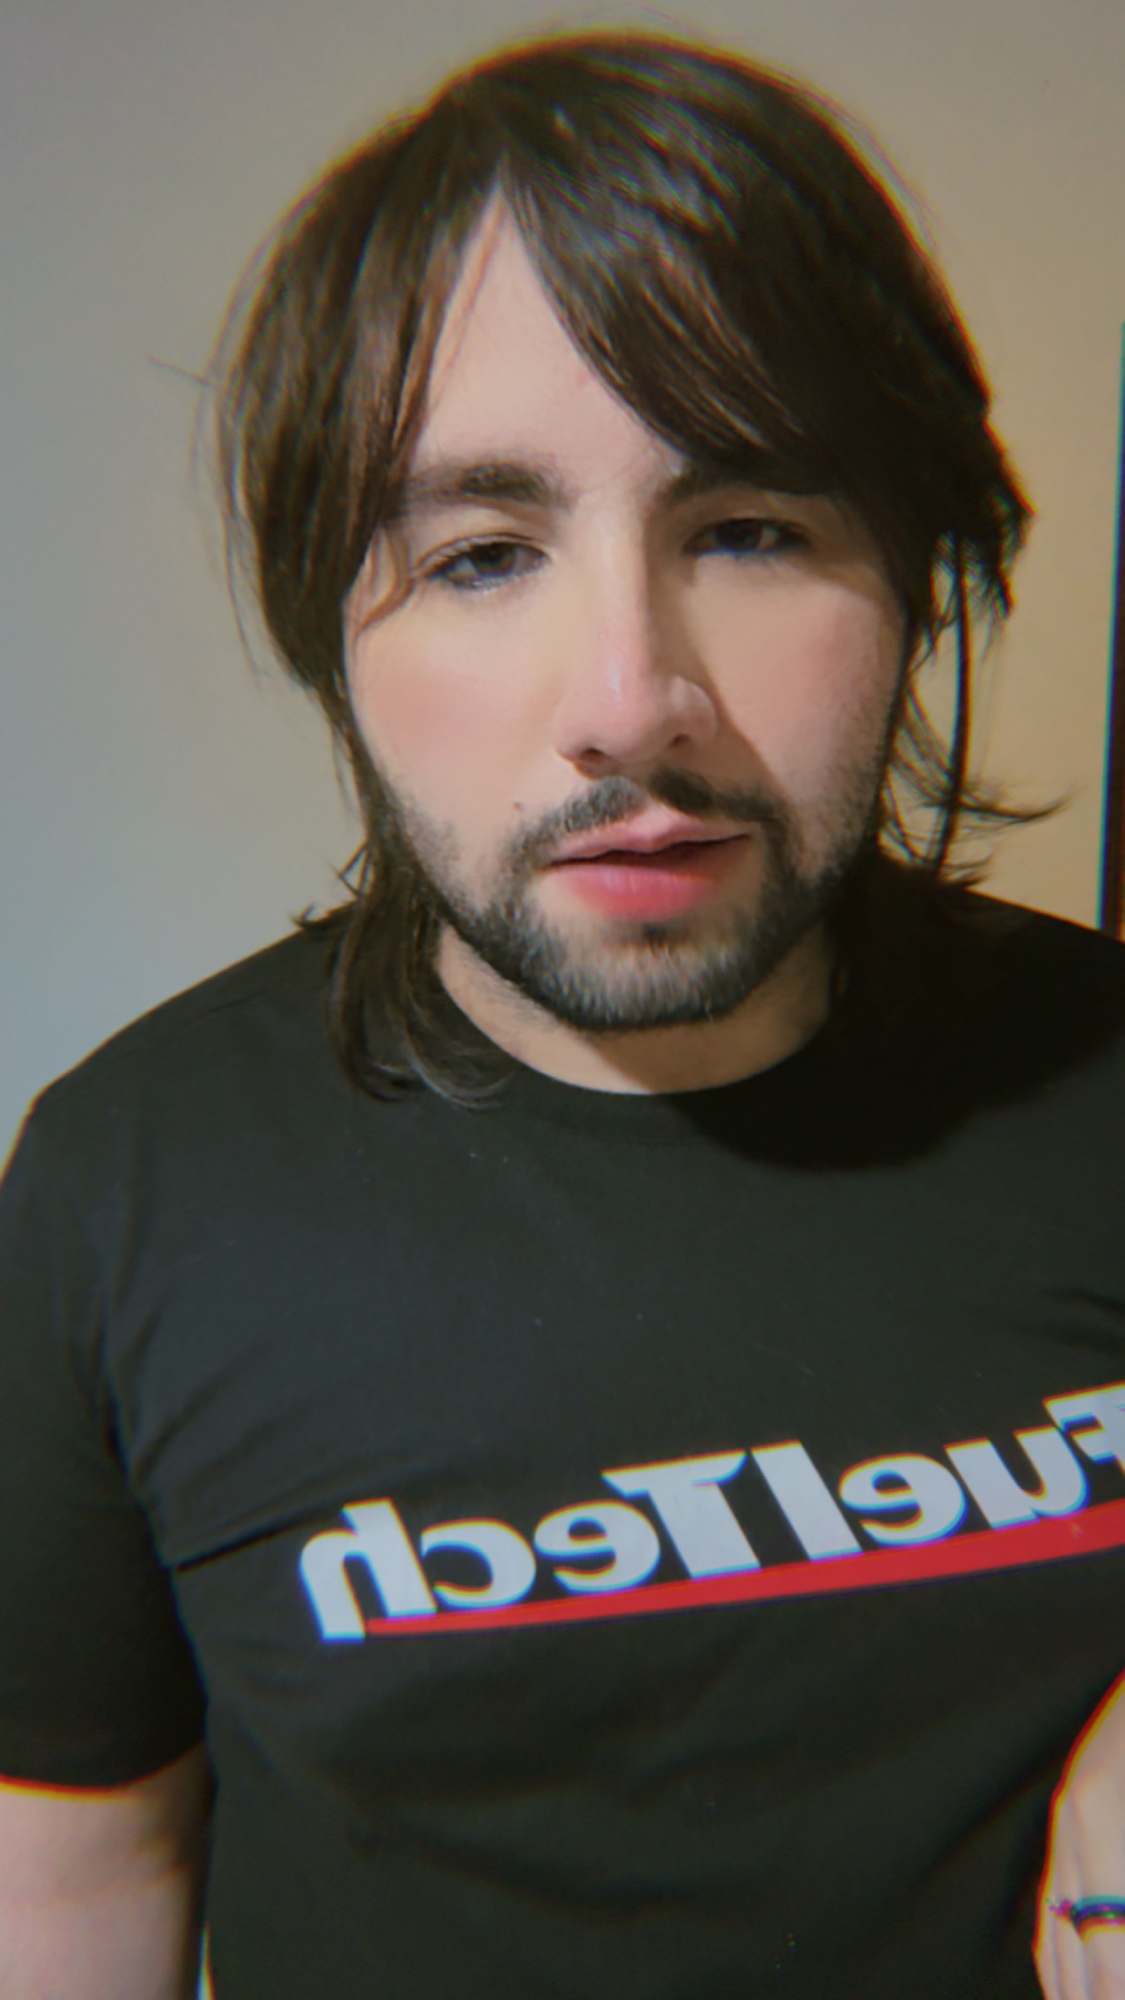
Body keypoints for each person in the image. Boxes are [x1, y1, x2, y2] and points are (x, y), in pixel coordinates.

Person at [0, 30, 1122, 2000]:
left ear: (915, 573)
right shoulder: (121, 1188)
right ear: (333, 630)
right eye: (482, 555)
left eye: (749, 528)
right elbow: (78, 1880)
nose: (627, 697)